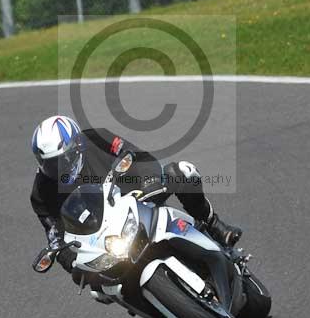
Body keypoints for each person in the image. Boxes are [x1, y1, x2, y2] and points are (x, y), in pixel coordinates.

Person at [30, 115, 241, 274]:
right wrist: (73, 265)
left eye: (63, 159)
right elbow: (56, 236)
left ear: (77, 146)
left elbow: (134, 153)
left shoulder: (96, 137)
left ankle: (213, 225)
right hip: (102, 235)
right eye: (51, 164)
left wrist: (150, 181)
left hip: (137, 195)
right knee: (99, 288)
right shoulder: (40, 193)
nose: (59, 169)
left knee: (181, 172)